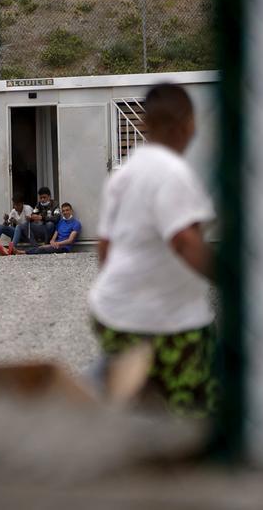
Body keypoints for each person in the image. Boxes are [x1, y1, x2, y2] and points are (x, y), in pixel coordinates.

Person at [88, 83, 215, 416]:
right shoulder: (173, 173)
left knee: (140, 406)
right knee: (195, 410)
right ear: (187, 125)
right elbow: (185, 242)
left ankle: (119, 392)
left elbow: (104, 250)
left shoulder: (124, 173)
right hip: (171, 324)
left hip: (111, 313)